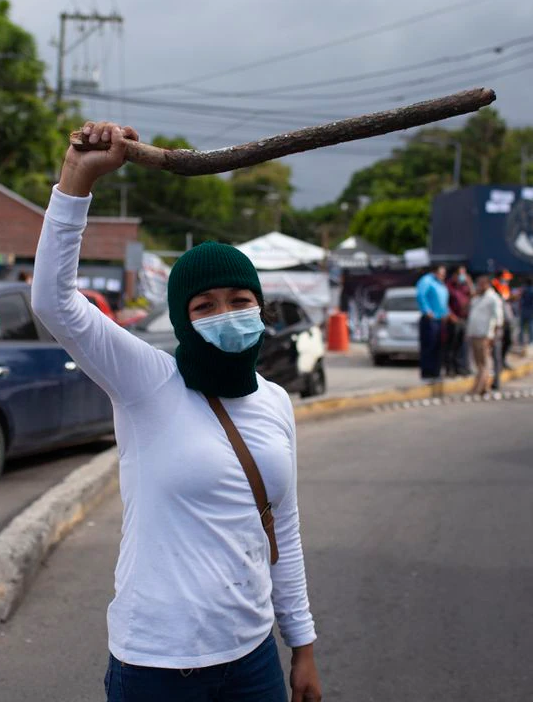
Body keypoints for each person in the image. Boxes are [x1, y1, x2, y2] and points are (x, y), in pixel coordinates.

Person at [31, 121, 322, 702]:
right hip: (158, 668)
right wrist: (77, 179)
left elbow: (281, 533)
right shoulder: (148, 383)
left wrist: (304, 647)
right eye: (205, 305)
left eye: (240, 301)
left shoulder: (274, 401)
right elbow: (54, 302)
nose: (227, 313)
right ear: (183, 319)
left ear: (259, 307)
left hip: (254, 658)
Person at [466, 274, 503, 398]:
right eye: (478, 283)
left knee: (484, 363)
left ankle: (477, 388)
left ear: (488, 284)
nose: (480, 286)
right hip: (474, 334)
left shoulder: (493, 298)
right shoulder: (477, 298)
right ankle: (484, 388)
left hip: (485, 335)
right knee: (478, 363)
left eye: (482, 283)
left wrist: (494, 336)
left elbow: (498, 319)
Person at [416, 265, 449, 381]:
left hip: (440, 319)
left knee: (438, 346)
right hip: (430, 319)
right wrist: (427, 310)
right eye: (441, 273)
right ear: (435, 272)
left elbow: (443, 301)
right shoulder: (427, 280)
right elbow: (421, 295)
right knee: (429, 346)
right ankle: (427, 372)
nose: (443, 276)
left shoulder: (441, 284)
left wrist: (446, 313)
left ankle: (436, 372)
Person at [444, 265, 472, 377]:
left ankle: (460, 368)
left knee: (462, 345)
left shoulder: (464, 286)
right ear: (455, 275)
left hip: (463, 319)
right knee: (452, 345)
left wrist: (469, 282)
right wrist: (451, 315)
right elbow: (445, 303)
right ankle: (450, 369)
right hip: (453, 320)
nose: (463, 276)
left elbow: (472, 294)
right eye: (461, 273)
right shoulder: (448, 286)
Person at [518, 277, 533, 348]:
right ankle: (532, 341)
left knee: (521, 327)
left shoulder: (524, 289)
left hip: (524, 309)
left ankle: (521, 341)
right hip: (531, 310)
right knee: (532, 326)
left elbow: (519, 298)